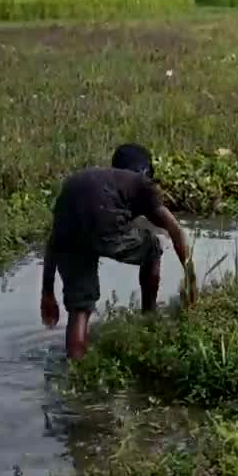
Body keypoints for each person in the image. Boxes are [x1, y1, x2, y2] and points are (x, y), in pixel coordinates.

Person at [39, 143, 193, 360]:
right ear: (145, 171)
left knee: (79, 307)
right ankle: (149, 318)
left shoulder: (93, 181)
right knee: (154, 246)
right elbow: (175, 230)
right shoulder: (141, 182)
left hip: (70, 225)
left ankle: (75, 369)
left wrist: (47, 293)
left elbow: (54, 241)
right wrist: (190, 276)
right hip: (103, 220)